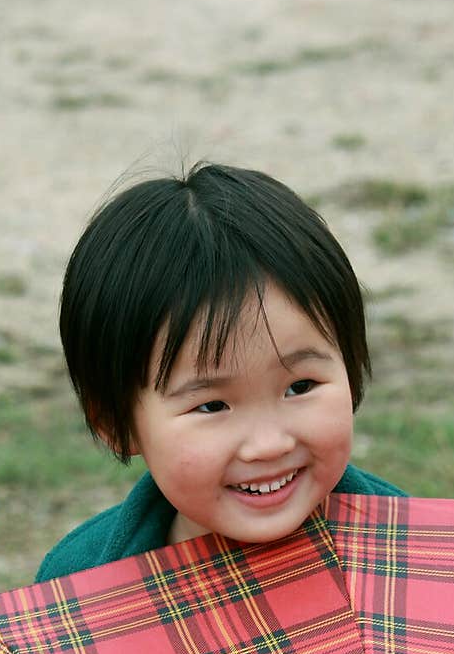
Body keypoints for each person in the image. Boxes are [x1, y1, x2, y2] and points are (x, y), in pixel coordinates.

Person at [36, 161, 405, 581]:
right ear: (116, 424)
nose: (268, 445)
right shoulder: (79, 586)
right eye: (212, 405)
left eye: (300, 386)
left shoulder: (419, 557)